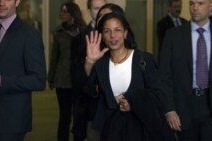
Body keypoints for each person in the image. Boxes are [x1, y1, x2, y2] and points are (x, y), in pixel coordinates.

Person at [84, 13, 174, 141]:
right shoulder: (101, 64)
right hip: (111, 131)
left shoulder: (143, 59)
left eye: (117, 30)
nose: (113, 35)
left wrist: (134, 103)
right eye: (107, 31)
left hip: (140, 130)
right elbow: (89, 91)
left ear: (126, 33)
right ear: (102, 37)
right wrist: (90, 62)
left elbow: (159, 95)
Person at [157, 0, 212, 141]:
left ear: (210, 6)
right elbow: (164, 77)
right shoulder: (173, 36)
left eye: (200, 3)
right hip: (183, 110)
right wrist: (169, 110)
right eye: (192, 3)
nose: (195, 8)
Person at [0, 0, 46, 141]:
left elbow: (38, 80)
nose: (1, 3)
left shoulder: (29, 34)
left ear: (17, 2)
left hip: (10, 121)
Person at [47, 2, 86, 141]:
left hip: (79, 79)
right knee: (64, 116)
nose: (61, 14)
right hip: (62, 79)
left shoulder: (84, 31)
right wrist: (50, 78)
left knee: (78, 115)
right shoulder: (58, 32)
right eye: (61, 11)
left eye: (65, 11)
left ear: (72, 13)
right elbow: (54, 56)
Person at [70, 1, 106, 141]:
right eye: (96, 8)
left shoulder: (115, 36)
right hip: (90, 102)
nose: (100, 13)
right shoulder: (80, 38)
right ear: (89, 10)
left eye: (103, 8)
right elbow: (76, 75)